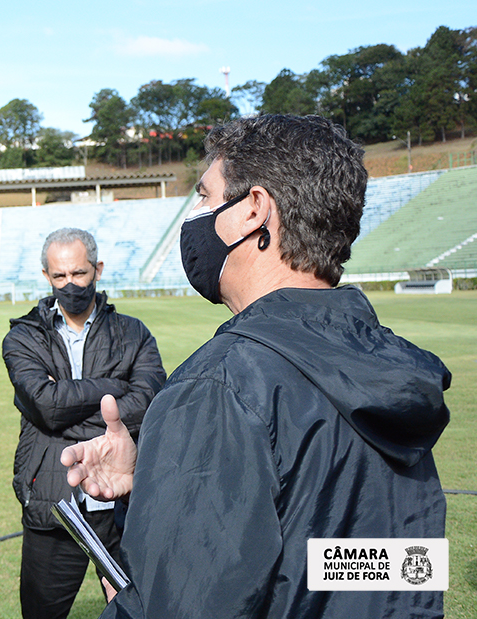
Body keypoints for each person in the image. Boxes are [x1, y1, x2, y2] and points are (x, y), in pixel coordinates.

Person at [61, 114, 451, 619]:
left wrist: (133, 598)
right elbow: (372, 567)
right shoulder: (387, 368)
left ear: (254, 211)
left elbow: (184, 607)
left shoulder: (221, 385)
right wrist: (165, 480)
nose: (194, 215)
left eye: (204, 196)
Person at [2, 228, 166, 619]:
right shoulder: (24, 336)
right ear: (46, 276)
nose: (69, 284)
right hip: (54, 505)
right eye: (59, 277)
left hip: (123, 507)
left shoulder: (133, 332)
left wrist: (65, 406)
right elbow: (46, 407)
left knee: (138, 611)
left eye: (78, 274)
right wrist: (113, 389)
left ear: (98, 269)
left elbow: (149, 403)